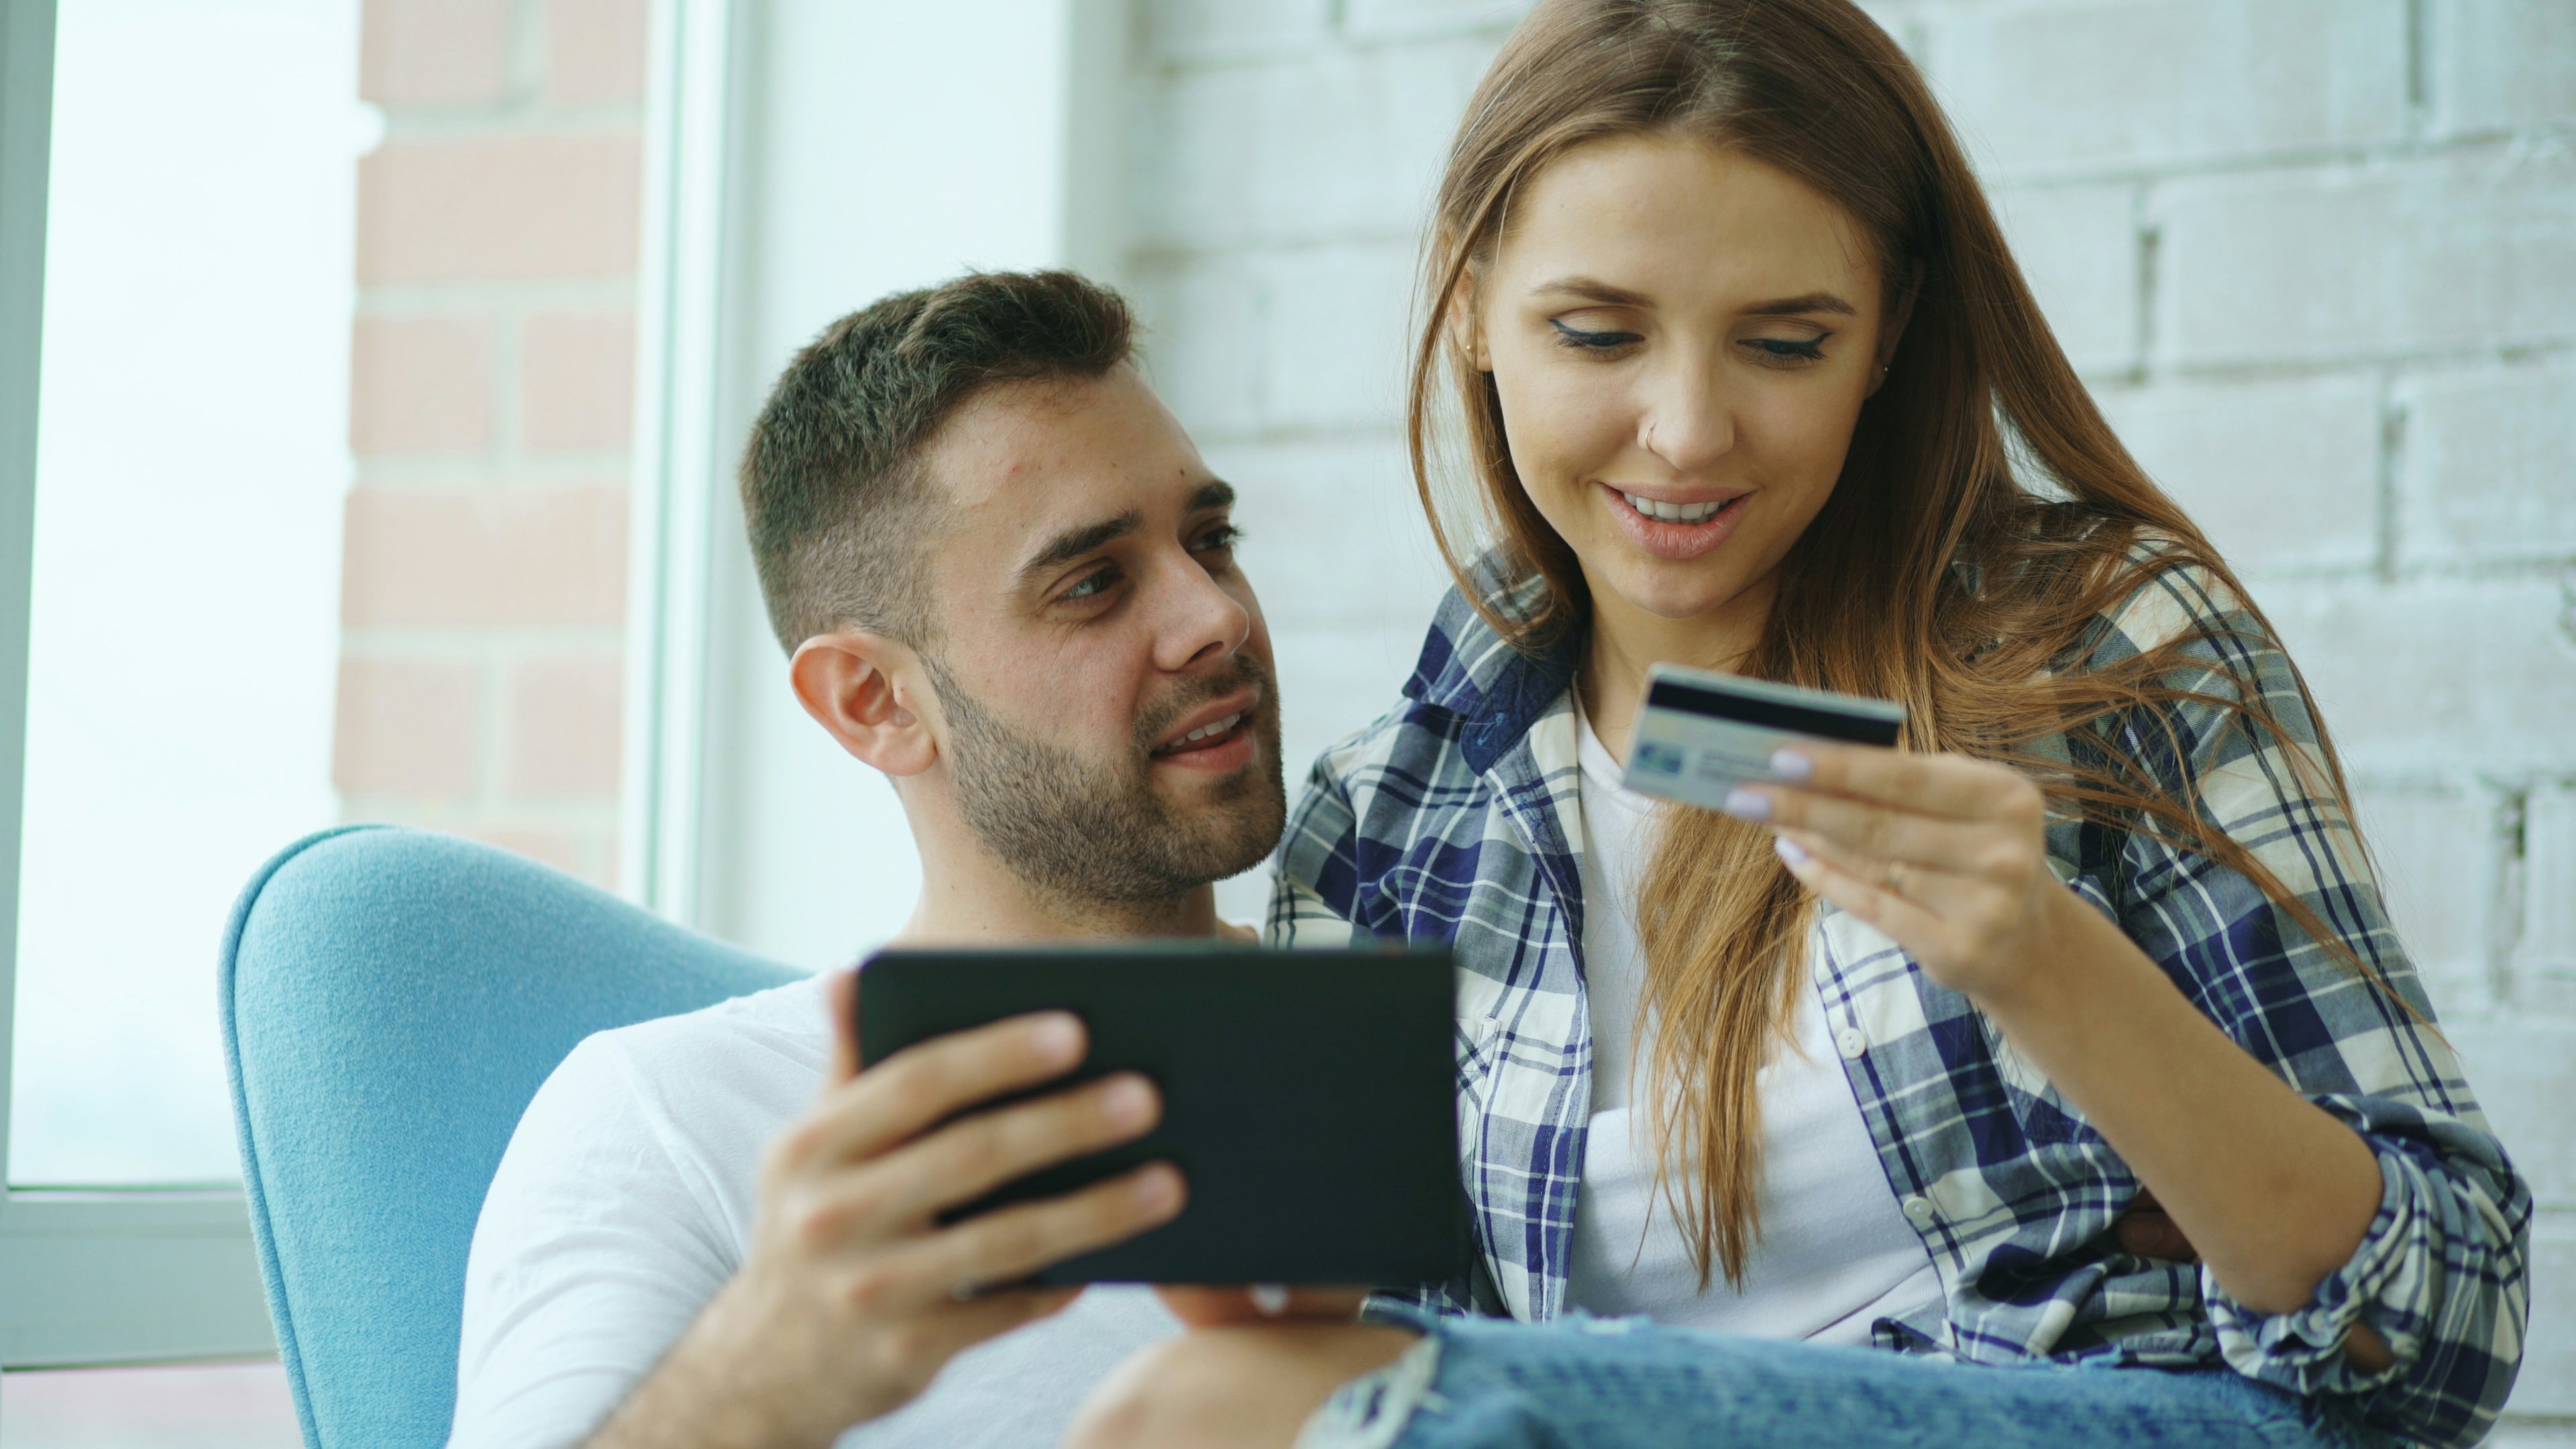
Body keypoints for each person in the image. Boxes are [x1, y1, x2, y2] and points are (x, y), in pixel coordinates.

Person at [1063, 3, 2530, 1447]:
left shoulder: (2104, 642)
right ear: (1472, 311)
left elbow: (2444, 1343)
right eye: (1596, 333)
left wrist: (2047, 964)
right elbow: (1368, 1341)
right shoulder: (1391, 813)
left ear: (1885, 337)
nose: (1689, 430)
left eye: (1783, 345)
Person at [446, 270, 1288, 1448]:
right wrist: (777, 1371)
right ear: (875, 701)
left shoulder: (1455, 1042)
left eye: (1212, 540)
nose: (1216, 617)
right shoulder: (678, 1120)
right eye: (1093, 584)